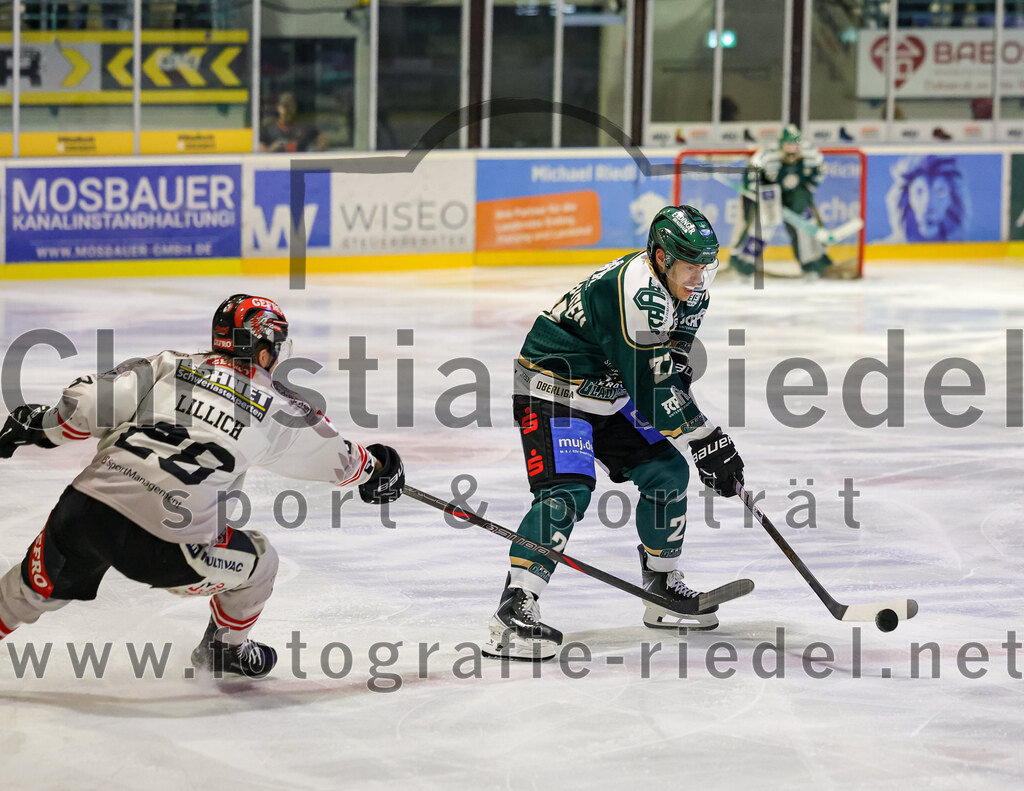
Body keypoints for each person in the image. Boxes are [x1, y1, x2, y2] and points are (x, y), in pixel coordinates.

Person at [0, 295, 404, 678]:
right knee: (261, 561)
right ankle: (225, 648)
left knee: (26, 592)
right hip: (165, 548)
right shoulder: (280, 408)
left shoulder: (169, 365)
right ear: (265, 349)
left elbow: (84, 409)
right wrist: (378, 468)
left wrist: (42, 427)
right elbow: (340, 459)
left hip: (87, 509)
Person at [485, 205, 745, 660]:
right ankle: (512, 610)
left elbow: (672, 363)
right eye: (690, 267)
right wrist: (705, 438)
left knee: (667, 471)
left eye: (707, 267)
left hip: (610, 395)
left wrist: (700, 437)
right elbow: (650, 384)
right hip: (553, 389)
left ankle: (661, 586)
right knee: (567, 490)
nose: (699, 279)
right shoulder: (636, 290)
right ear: (662, 259)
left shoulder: (689, 289)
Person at [730, 124, 834, 277]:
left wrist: (809, 187)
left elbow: (820, 171)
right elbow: (751, 174)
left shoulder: (810, 153)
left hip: (797, 193)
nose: (792, 148)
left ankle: (812, 264)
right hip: (771, 193)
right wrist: (757, 191)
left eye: (795, 144)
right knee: (763, 226)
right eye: (788, 144)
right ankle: (744, 264)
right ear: (781, 144)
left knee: (805, 225)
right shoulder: (768, 155)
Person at [259, 93, 329, 153]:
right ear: (278, 107)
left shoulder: (304, 127)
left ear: (294, 107)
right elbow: (260, 154)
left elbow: (322, 139)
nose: (288, 110)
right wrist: (274, 147)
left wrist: (317, 150)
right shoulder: (268, 128)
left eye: (291, 106)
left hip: (299, 165)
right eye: (285, 106)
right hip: (277, 166)